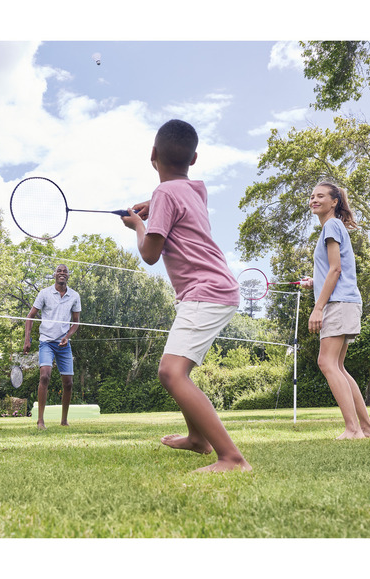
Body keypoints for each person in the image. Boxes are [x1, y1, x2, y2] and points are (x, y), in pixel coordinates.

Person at [121, 119, 251, 473]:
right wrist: (153, 204)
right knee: (178, 370)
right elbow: (181, 196)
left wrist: (139, 225)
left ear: (152, 154)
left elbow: (149, 254)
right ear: (194, 158)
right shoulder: (195, 190)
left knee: (171, 372)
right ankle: (198, 438)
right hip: (215, 289)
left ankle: (233, 458)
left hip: (205, 291)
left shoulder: (165, 195)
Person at [299, 181, 370, 440]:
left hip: (338, 303)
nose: (314, 199)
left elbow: (336, 269)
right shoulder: (332, 228)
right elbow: (332, 269)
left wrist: (317, 308)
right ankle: (366, 429)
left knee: (327, 362)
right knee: (338, 366)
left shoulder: (332, 225)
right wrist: (314, 282)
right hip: (345, 301)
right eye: (312, 196)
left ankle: (353, 429)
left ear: (334, 202)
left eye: (320, 196)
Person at [24, 264, 81, 429]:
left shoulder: (74, 296)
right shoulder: (45, 293)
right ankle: (40, 420)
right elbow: (30, 317)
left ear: (68, 276)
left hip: (64, 344)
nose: (62, 273)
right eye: (59, 271)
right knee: (44, 376)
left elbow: (76, 322)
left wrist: (67, 336)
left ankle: (64, 420)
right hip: (46, 342)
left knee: (68, 383)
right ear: (55, 275)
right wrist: (27, 339)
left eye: (65, 271)